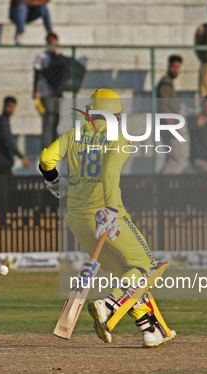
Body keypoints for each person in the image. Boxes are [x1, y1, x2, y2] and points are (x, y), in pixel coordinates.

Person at [39, 89, 176, 347]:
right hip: (106, 216)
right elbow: (110, 172)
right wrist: (111, 209)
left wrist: (54, 181)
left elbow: (46, 159)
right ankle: (108, 304)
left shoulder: (73, 134)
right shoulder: (118, 138)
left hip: (77, 220)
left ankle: (149, 329)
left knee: (129, 274)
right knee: (148, 267)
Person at [157, 54, 186, 174]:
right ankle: (162, 184)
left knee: (173, 158)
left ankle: (163, 184)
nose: (176, 70)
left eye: (178, 67)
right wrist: (172, 128)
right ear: (169, 66)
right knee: (175, 158)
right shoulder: (165, 84)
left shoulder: (169, 83)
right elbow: (163, 108)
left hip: (171, 125)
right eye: (174, 67)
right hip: (168, 126)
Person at [33, 32, 61, 149]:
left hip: (58, 93)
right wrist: (35, 91)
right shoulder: (42, 57)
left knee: (56, 119)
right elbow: (37, 74)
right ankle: (46, 147)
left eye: (54, 41)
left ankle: (55, 145)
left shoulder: (60, 56)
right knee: (48, 120)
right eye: (50, 41)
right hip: (47, 93)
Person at [0, 96, 31, 175]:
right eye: (10, 107)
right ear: (5, 106)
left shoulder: (2, 121)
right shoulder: (2, 122)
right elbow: (8, 141)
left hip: (2, 160)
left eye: (13, 107)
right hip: (2, 160)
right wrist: (22, 157)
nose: (12, 110)